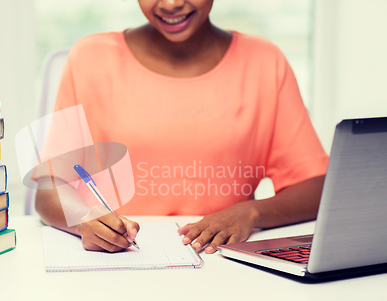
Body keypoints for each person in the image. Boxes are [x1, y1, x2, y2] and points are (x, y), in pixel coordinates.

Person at [35, 0, 329, 254]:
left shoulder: (265, 62)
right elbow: (49, 189)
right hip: (116, 261)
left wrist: (251, 211)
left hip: (220, 263)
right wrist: (84, 219)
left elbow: (316, 186)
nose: (171, 4)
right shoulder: (91, 57)